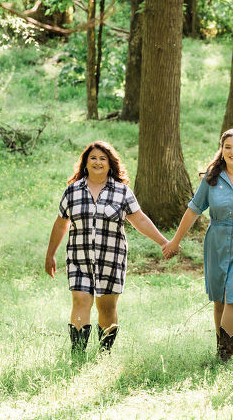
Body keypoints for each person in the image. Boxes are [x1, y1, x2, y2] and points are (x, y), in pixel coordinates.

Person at [46, 141, 168, 359]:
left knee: (107, 308)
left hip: (111, 258)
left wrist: (163, 242)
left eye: (103, 158)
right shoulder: (72, 191)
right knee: (81, 300)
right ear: (85, 163)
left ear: (110, 164)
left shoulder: (122, 192)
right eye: (93, 158)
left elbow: (139, 220)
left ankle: (104, 355)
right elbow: (61, 223)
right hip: (79, 258)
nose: (98, 162)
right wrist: (50, 254)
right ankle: (78, 356)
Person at [163, 128, 233, 362]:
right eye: (228, 147)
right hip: (217, 241)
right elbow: (193, 210)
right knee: (219, 298)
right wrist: (175, 241)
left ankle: (225, 356)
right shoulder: (212, 178)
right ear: (222, 150)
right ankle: (221, 348)